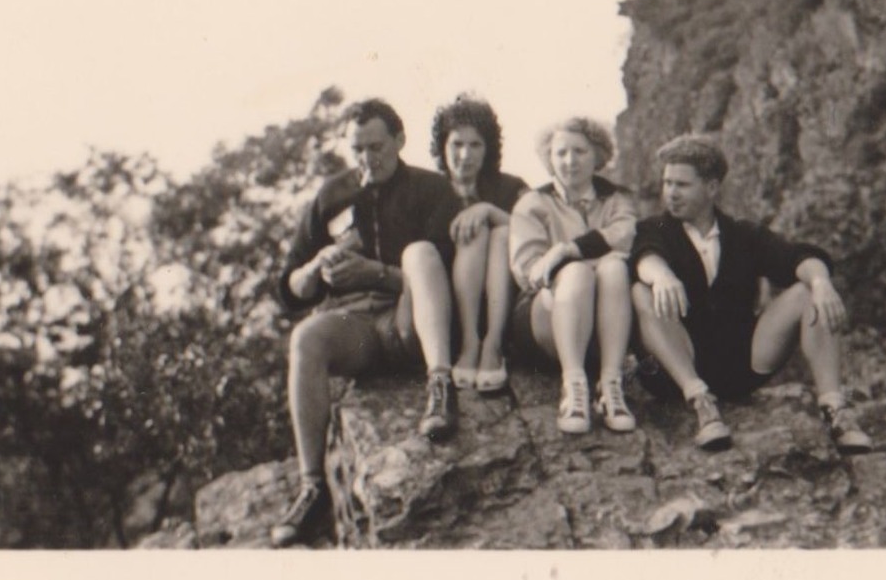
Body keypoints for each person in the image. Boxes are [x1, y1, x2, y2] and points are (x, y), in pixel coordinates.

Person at [269, 98, 464, 548]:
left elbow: (446, 275)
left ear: (399, 141)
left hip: (411, 320)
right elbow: (290, 291)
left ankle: (440, 386)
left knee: (419, 253)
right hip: (359, 330)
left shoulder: (432, 189)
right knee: (306, 338)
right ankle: (312, 485)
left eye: (376, 147)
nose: (367, 159)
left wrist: (377, 273)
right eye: (357, 149)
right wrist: (318, 264)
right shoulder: (332, 195)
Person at [629, 133, 873, 454]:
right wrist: (660, 276)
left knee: (808, 290)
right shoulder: (655, 229)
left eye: (682, 185)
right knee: (641, 290)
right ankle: (702, 403)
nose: (670, 194)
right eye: (667, 183)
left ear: (712, 188)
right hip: (676, 369)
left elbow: (796, 257)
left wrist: (821, 282)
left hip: (740, 364)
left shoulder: (743, 235)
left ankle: (835, 409)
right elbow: (646, 256)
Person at [508, 117, 639, 435]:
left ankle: (610, 385)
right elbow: (531, 273)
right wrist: (576, 264)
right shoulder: (533, 203)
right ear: (549, 159)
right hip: (547, 319)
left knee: (614, 268)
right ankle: (574, 386)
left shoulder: (617, 201)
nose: (569, 161)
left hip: (605, 323)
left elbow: (626, 239)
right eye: (560, 152)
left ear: (597, 156)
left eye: (579, 151)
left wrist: (565, 250)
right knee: (582, 273)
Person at [430, 96, 529, 393]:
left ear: (489, 149)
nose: (465, 155)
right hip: (452, 308)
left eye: (476, 145)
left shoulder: (511, 187)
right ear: (442, 146)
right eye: (457, 144)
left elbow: (537, 233)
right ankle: (470, 343)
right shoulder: (429, 190)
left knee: (500, 231)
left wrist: (491, 211)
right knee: (475, 232)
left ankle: (493, 346)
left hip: (506, 305)